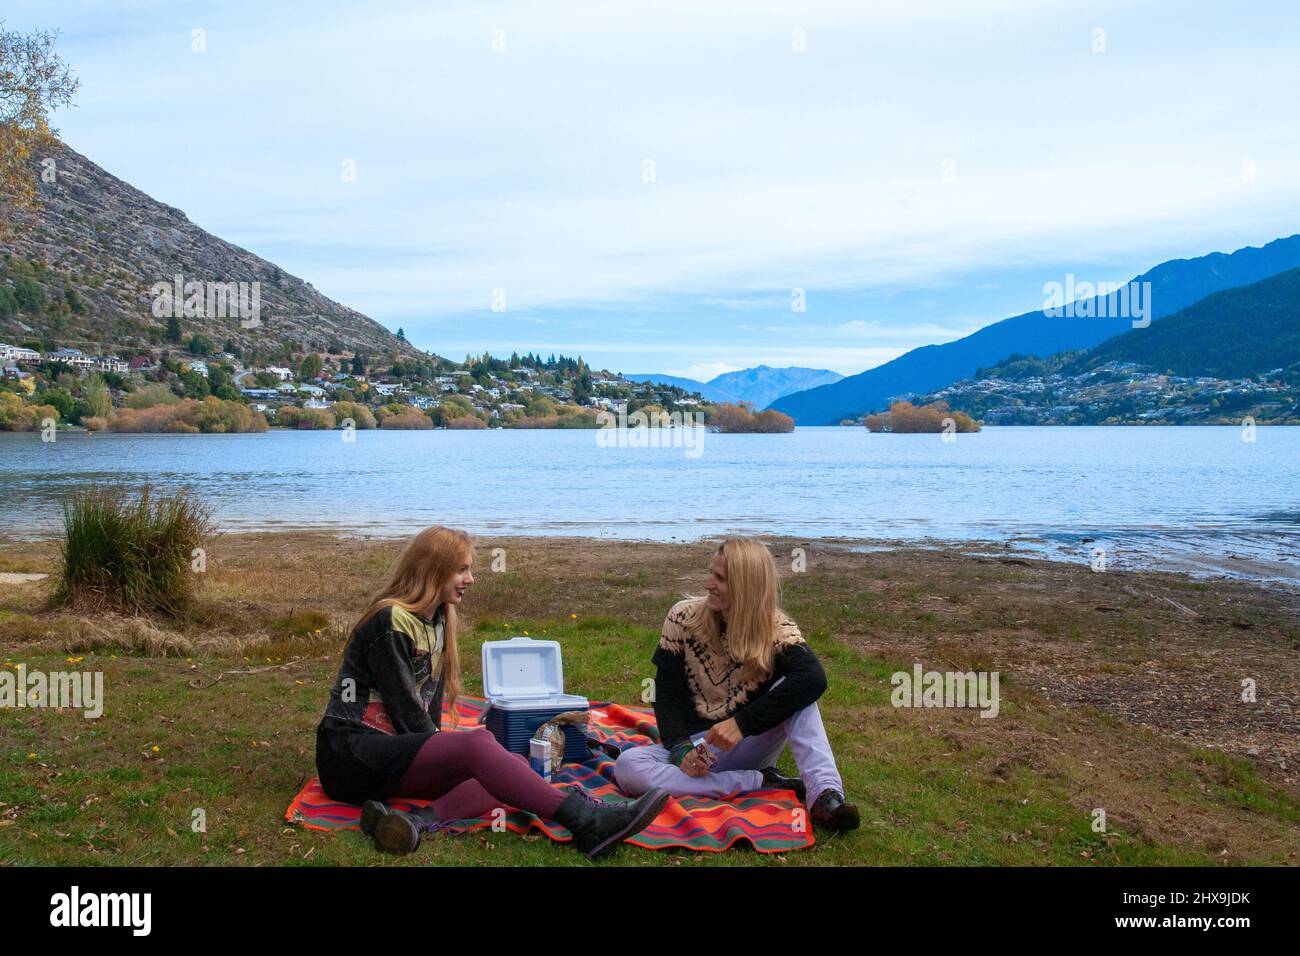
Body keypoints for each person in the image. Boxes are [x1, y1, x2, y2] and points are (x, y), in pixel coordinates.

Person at [315, 525, 668, 858]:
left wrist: (446, 752)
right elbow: (407, 710)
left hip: (388, 759)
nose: (471, 579)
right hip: (350, 754)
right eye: (462, 570)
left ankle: (414, 822)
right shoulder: (390, 620)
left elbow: (429, 705)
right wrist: (451, 753)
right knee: (479, 746)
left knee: (510, 765)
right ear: (433, 570)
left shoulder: (436, 618)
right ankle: (585, 821)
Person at [614, 538, 859, 830]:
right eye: (711, 573)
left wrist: (741, 724)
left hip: (749, 743)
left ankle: (825, 796)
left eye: (720, 578)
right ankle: (760, 781)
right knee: (628, 766)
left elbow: (814, 678)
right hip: (698, 747)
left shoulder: (776, 629)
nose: (708, 584)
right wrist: (681, 751)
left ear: (745, 586)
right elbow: (665, 694)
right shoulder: (681, 618)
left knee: (800, 694)